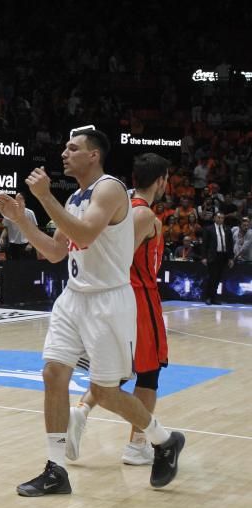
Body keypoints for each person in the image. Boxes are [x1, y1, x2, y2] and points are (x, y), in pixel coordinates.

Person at [0, 128, 184, 497]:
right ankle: (55, 469)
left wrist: (45, 197)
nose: (65, 153)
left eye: (73, 148)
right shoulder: (76, 196)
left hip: (108, 300)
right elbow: (54, 251)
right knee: (53, 372)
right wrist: (22, 220)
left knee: (106, 392)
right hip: (74, 296)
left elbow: (86, 234)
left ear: (93, 155)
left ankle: (163, 439)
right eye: (65, 146)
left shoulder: (110, 189)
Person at [64, 153, 172, 466]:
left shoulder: (127, 207)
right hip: (138, 296)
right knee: (148, 374)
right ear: (161, 180)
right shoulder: (141, 215)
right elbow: (120, 259)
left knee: (119, 372)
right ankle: (138, 444)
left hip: (124, 297)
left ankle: (81, 411)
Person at [201, 212, 234, 304]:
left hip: (223, 256)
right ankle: (207, 297)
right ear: (214, 218)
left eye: (222, 218)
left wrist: (231, 258)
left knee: (219, 278)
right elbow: (205, 244)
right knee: (212, 277)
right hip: (213, 256)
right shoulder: (208, 229)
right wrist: (204, 257)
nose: (220, 219)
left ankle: (214, 298)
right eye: (218, 217)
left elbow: (230, 245)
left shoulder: (227, 229)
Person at [0, 192, 37, 259]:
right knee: (14, 266)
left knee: (25, 266)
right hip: (12, 245)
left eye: (19, 198)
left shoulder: (30, 213)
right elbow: (6, 228)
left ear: (24, 200)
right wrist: (2, 237)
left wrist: (31, 244)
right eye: (16, 198)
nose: (17, 200)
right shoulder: (9, 212)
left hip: (25, 245)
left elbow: (35, 230)